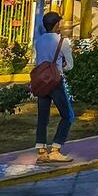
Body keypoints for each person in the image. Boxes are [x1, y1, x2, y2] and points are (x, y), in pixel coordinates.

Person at [33, 11, 75, 164]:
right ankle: (56, 149)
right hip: (56, 82)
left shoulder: (39, 41)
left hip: (41, 82)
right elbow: (70, 65)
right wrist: (61, 66)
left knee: (43, 116)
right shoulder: (62, 41)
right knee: (68, 115)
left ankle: (41, 150)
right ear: (57, 24)